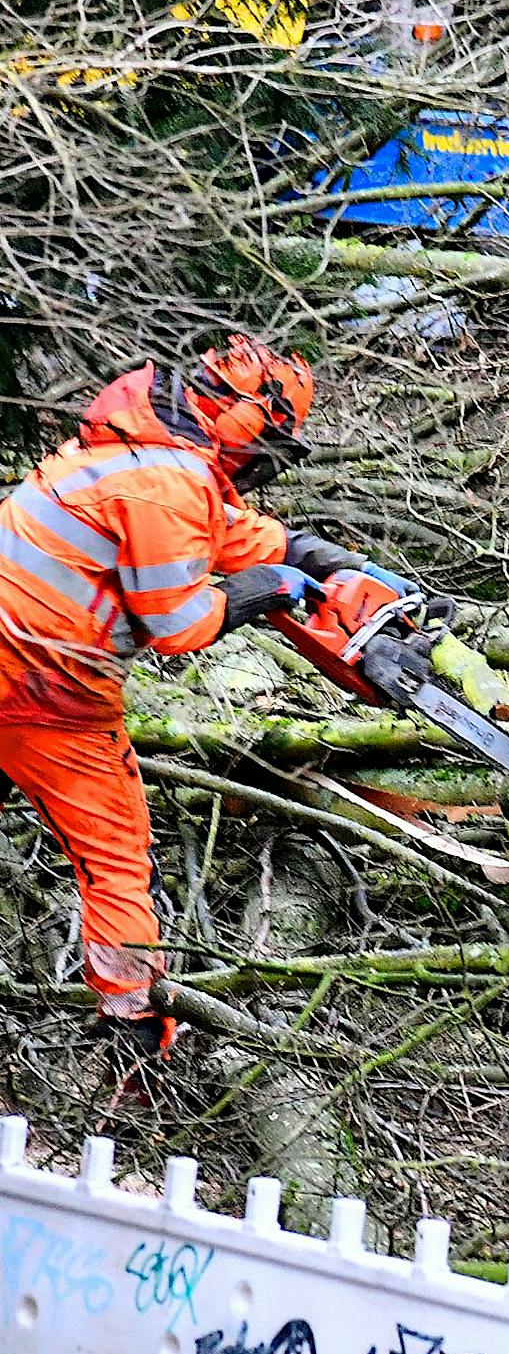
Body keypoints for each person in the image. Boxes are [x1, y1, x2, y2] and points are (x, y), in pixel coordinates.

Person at [0, 336, 381, 1059]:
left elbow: (229, 532)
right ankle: (134, 1036)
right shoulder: (167, 478)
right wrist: (260, 592)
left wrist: (321, 559)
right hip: (46, 694)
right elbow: (177, 623)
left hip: (15, 666)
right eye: (269, 439)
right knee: (116, 862)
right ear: (242, 415)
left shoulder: (137, 454)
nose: (265, 457)